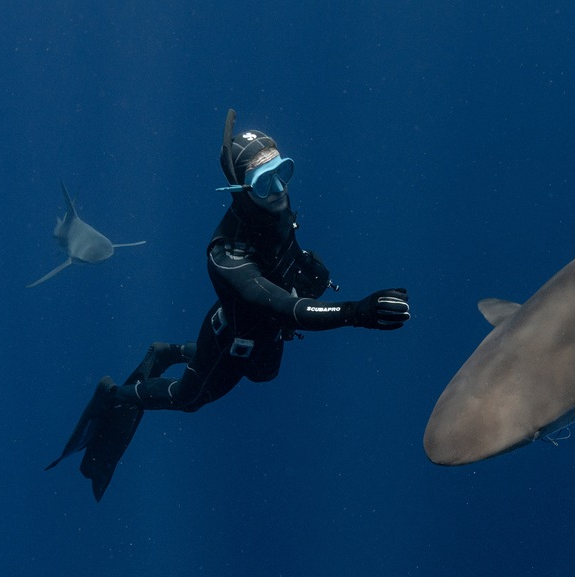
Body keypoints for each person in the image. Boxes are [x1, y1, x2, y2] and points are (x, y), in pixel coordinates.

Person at [47, 109, 410, 501]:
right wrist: (357, 312)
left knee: (262, 375)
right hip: (231, 339)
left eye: (282, 172)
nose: (278, 191)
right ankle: (115, 394)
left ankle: (173, 350)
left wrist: (310, 270)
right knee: (188, 399)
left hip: (265, 333)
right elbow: (282, 306)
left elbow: (290, 258)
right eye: (262, 182)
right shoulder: (226, 254)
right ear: (240, 190)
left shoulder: (277, 209)